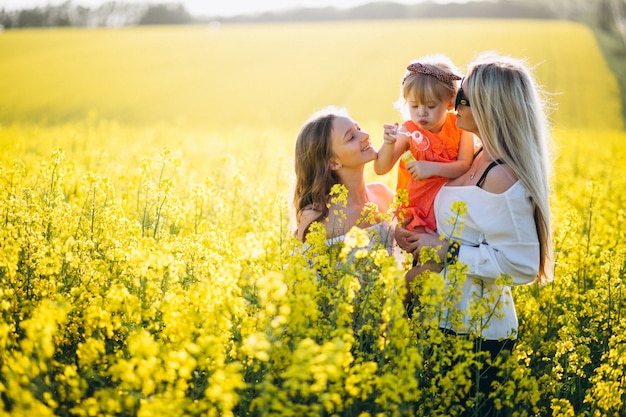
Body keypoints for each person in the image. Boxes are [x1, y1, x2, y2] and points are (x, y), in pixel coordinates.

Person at [395, 53, 553, 415]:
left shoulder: (502, 175)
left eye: (462, 98)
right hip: (441, 318)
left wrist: (446, 251)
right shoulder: (476, 155)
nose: (454, 105)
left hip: (477, 332)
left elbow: (522, 266)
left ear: (489, 105)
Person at [374, 55, 475, 274]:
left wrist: (432, 168)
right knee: (425, 262)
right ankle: (407, 300)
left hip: (447, 208)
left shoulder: (460, 126)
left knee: (442, 264)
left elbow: (464, 164)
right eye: (414, 105)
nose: (421, 112)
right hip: (418, 209)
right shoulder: (408, 131)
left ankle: (416, 300)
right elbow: (381, 168)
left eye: (430, 106)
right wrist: (389, 143)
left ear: (449, 102)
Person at [293, 107, 395, 249]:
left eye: (358, 128)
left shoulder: (383, 194)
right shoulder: (316, 218)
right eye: (351, 137)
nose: (365, 135)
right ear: (333, 162)